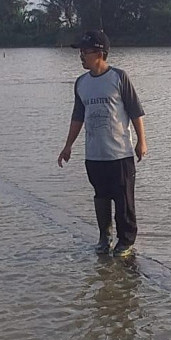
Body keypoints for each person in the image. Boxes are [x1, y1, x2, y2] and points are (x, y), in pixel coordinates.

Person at [57, 30, 147, 257]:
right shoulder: (81, 83)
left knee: (123, 199)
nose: (80, 56)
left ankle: (125, 241)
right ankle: (104, 237)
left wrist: (141, 142)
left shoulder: (118, 77)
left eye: (84, 51)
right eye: (80, 51)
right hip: (94, 154)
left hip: (120, 153)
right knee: (101, 196)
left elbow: (135, 111)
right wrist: (68, 146)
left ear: (99, 53)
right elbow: (78, 116)